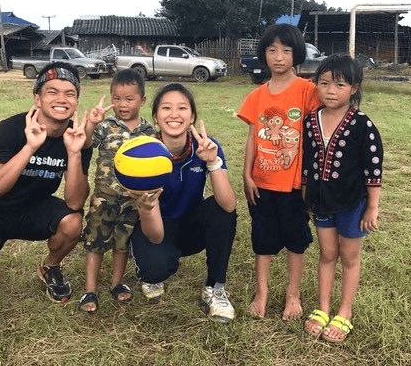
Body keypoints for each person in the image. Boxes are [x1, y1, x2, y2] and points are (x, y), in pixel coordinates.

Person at [0, 62, 92, 305]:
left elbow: (75, 201)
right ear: (37, 98)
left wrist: (75, 153)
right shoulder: (11, 128)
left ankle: (51, 267)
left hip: (35, 207)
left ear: (76, 101)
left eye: (70, 94)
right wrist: (30, 147)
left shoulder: (77, 136)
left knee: (73, 221)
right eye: (52, 92)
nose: (62, 99)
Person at [130, 83, 238, 323]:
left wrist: (213, 162)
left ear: (192, 116)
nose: (174, 114)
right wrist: (146, 206)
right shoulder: (144, 153)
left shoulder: (207, 146)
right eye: (166, 108)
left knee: (220, 212)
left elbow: (229, 205)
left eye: (182, 107)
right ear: (156, 117)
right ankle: (154, 268)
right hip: (156, 225)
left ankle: (215, 289)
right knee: (156, 270)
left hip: (190, 223)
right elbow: (156, 236)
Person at [237, 24, 320, 320]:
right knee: (263, 240)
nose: (279, 57)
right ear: (264, 55)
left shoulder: (308, 91)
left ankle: (292, 295)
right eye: (272, 50)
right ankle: (262, 293)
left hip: (295, 185)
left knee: (296, 241)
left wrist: (312, 181)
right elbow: (252, 137)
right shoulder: (256, 96)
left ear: (296, 54)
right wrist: (247, 175)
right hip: (261, 183)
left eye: (286, 50)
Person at [302, 54, 382, 342]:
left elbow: (373, 169)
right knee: (327, 254)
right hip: (321, 203)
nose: (330, 90)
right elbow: (307, 164)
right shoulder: (310, 121)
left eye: (339, 84)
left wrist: (371, 207)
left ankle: (344, 311)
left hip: (352, 204)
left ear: (355, 88)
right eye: (323, 83)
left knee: (349, 257)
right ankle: (323, 308)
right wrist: (306, 199)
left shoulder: (363, 125)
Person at [79, 69, 157, 313]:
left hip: (132, 200)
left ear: (142, 100)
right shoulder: (105, 125)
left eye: (129, 99)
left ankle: (117, 283)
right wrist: (91, 123)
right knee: (95, 243)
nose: (122, 104)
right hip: (104, 197)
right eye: (117, 98)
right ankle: (90, 290)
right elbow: (85, 142)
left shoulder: (148, 131)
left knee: (121, 243)